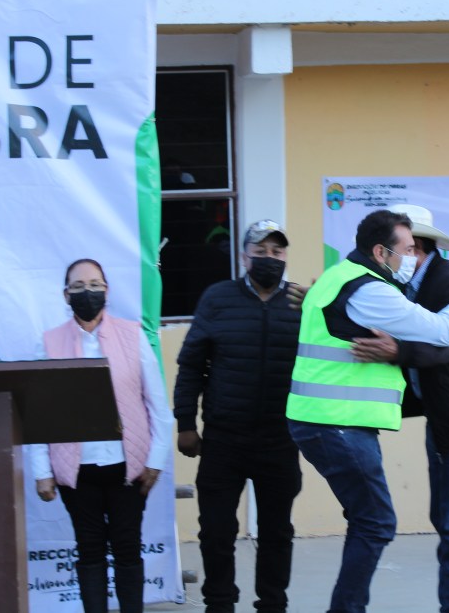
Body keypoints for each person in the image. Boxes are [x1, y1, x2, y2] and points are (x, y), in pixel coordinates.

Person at [286, 209, 449, 613]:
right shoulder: (370, 291)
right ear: (381, 252)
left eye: (416, 249)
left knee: (369, 520)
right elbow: (443, 332)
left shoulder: (340, 275)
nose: (411, 257)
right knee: (376, 522)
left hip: (325, 421)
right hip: (337, 424)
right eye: (406, 249)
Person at [351, 204, 449, 613]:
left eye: (399, 249)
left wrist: (397, 352)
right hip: (443, 416)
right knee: (447, 523)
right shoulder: (403, 285)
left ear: (415, 248)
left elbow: (444, 344)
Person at [174, 219, 305, 613]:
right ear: (245, 256)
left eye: (277, 251)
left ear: (286, 256)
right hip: (224, 440)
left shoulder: (302, 303)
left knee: (277, 533)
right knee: (216, 532)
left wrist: (324, 309)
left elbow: (325, 361)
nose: (269, 258)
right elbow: (191, 365)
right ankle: (219, 604)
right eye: (260, 251)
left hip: (281, 440)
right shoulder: (218, 298)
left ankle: (272, 604)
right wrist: (185, 424)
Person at [29, 259, 172, 613]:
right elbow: (39, 414)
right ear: (66, 295)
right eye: (78, 286)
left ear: (107, 290)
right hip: (77, 471)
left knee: (127, 547)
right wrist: (42, 471)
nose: (87, 292)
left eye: (94, 285)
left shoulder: (132, 336)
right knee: (89, 549)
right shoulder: (50, 343)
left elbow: (156, 404)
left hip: (128, 468)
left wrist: (156, 461)